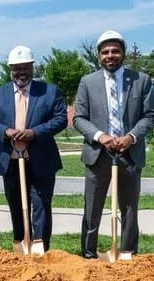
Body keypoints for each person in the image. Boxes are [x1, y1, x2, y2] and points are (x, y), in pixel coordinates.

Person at [73, 30, 153, 258]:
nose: (110, 55)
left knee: (129, 209)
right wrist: (101, 136)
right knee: (92, 209)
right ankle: (88, 254)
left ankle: (127, 254)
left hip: (129, 155)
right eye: (105, 52)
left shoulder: (141, 80)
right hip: (98, 154)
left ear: (123, 54)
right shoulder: (87, 82)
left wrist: (130, 137)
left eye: (115, 51)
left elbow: (149, 115)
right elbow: (79, 118)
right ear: (99, 56)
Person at [0, 45, 67, 252]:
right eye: (17, 68)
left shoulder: (48, 91)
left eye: (25, 67)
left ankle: (41, 248)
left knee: (41, 206)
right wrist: (7, 131)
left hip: (41, 161)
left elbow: (61, 119)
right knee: (16, 207)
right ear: (10, 69)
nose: (21, 72)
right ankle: (21, 245)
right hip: (10, 161)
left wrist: (34, 132)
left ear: (32, 67)